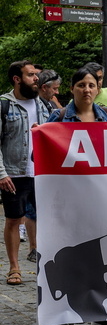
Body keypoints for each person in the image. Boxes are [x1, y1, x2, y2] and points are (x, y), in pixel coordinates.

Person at [47, 66, 107, 325]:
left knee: (95, 255)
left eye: (91, 85)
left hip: (99, 197)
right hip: (67, 198)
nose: (87, 90)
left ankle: (97, 312)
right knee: (68, 252)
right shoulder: (59, 117)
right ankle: (63, 315)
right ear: (72, 89)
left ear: (98, 89)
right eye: (81, 85)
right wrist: (38, 135)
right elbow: (40, 159)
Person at [1, 60, 50, 290]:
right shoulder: (4, 105)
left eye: (36, 75)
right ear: (17, 79)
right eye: (30, 75)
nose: (36, 79)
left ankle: (46, 262)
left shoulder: (44, 105)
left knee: (47, 219)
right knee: (13, 219)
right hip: (14, 172)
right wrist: (2, 173)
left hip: (42, 172)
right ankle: (14, 267)